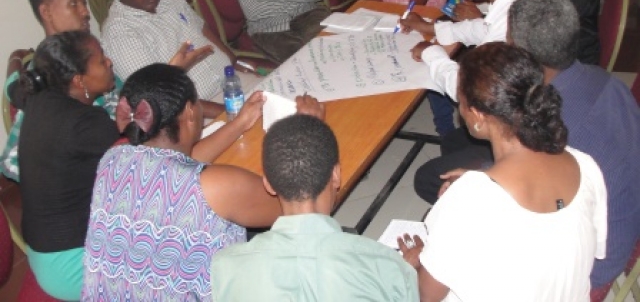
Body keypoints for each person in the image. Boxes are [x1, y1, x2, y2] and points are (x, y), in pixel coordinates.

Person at [414, 0, 640, 294]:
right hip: (613, 217)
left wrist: (478, 186)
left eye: (508, 41)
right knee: (456, 148)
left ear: (522, 56)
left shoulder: (562, 125)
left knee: (433, 178)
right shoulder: (605, 81)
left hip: (591, 265)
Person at [81, 63, 316, 300]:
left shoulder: (112, 159)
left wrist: (240, 123)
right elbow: (297, 205)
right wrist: (309, 129)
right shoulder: (215, 186)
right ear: (190, 113)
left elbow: (175, 164)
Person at [400, 42, 607, 302]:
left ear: (476, 115)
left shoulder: (468, 202)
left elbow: (423, 297)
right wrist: (479, 184)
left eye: (461, 102)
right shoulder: (586, 165)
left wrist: (416, 263)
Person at [210, 114, 419, 301]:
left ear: (268, 184)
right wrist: (404, 273)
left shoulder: (226, 267)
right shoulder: (385, 265)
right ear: (336, 175)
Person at [400, 0, 544, 136]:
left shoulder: (506, 29)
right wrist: (431, 27)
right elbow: (483, 28)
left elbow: (466, 89)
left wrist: (431, 53)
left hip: (516, 126)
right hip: (531, 99)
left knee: (429, 170)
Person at [18, 31, 120, 300]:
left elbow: (15, 86)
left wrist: (15, 62)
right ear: (78, 80)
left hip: (44, 255)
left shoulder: (38, 97)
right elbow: (155, 161)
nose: (109, 63)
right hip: (77, 267)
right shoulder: (85, 123)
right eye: (100, 61)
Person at [2, 0, 120, 182]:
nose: (86, 12)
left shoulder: (90, 56)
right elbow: (13, 162)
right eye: (74, 4)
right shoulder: (44, 82)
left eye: (84, 2)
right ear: (46, 12)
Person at [101, 0, 236, 118]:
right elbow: (159, 98)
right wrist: (229, 114)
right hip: (198, 115)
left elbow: (202, 28)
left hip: (232, 86)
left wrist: (233, 60)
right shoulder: (120, 32)